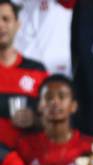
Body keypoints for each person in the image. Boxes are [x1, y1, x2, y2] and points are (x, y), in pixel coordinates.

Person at [0, 75, 92, 165]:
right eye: (48, 97)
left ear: (73, 106)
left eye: (61, 97)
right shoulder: (24, 146)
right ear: (39, 105)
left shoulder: (89, 147)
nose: (55, 102)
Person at [0, 0, 47, 157]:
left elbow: (53, 118)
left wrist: (34, 120)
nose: (0, 25)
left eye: (6, 19)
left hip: (28, 160)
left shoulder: (37, 71)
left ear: (17, 24)